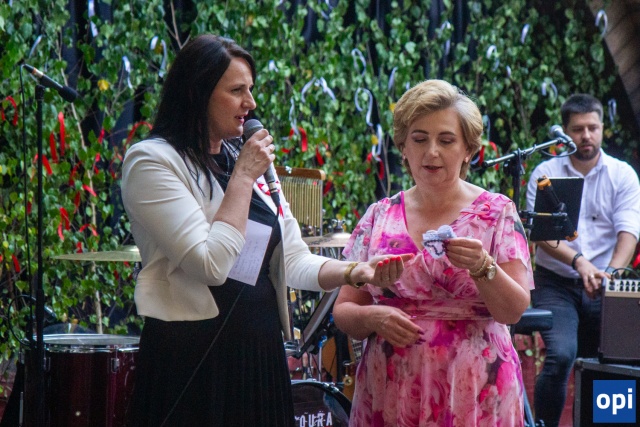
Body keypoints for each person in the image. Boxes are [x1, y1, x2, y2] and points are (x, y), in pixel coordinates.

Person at [120, 34, 412, 427]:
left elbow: (293, 260)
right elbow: (210, 265)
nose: (251, 103)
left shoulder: (243, 160)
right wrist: (242, 176)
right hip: (191, 359)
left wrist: (354, 271)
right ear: (197, 92)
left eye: (251, 89)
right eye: (237, 90)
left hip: (258, 353)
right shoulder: (153, 161)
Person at [332, 79, 533, 427]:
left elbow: (513, 311)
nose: (432, 152)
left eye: (446, 140)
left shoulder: (497, 213)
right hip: (391, 389)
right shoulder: (379, 216)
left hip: (476, 390)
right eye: (420, 139)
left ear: (468, 149)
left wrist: (483, 266)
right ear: (403, 147)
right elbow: (344, 309)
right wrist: (374, 318)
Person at [525, 94, 640, 427]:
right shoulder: (545, 173)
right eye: (578, 129)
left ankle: (607, 423)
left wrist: (610, 273)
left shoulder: (623, 174)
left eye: (592, 127)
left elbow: (629, 231)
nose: (586, 135)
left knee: (614, 360)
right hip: (556, 283)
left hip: (607, 282)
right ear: (565, 132)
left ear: (602, 127)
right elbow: (542, 234)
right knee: (561, 355)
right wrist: (580, 262)